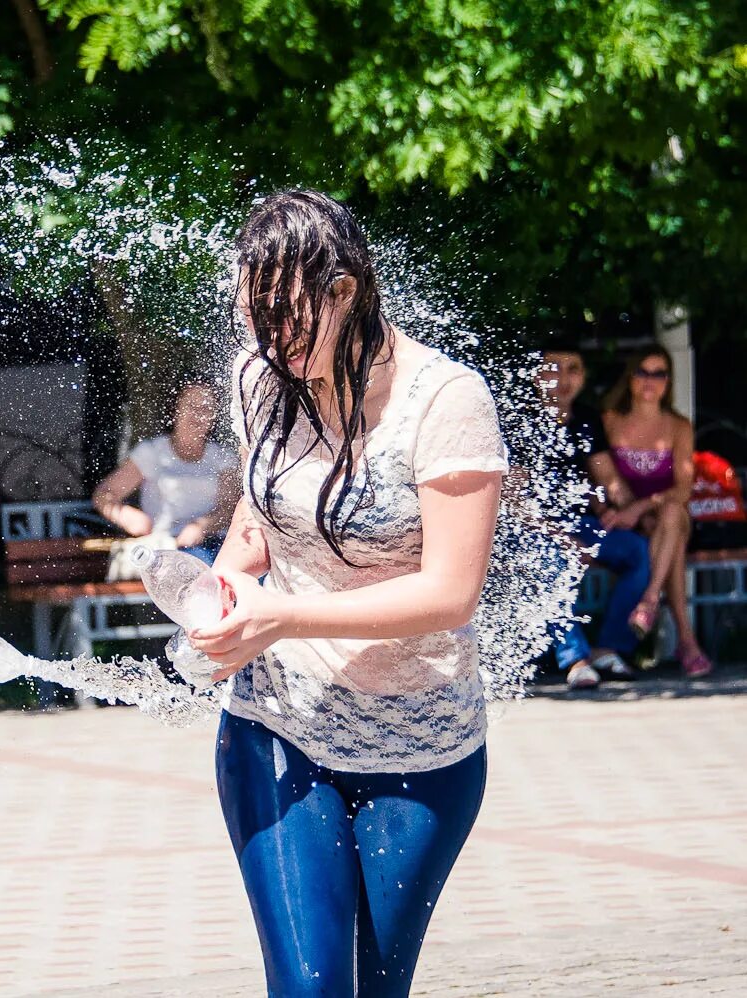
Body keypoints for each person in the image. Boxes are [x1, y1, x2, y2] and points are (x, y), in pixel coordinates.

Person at [189, 190, 507, 997]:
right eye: (255, 321)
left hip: (420, 744)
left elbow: (450, 592)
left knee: (372, 989)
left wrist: (285, 614)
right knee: (309, 988)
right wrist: (218, 596)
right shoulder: (258, 377)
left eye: (290, 319)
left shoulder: (446, 400)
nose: (272, 342)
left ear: (344, 291)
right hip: (277, 724)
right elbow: (262, 526)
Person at [537, 344, 650, 689]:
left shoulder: (586, 419)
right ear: (537, 375)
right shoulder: (521, 421)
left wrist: (622, 509)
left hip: (582, 524)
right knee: (552, 559)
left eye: (573, 369)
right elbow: (512, 503)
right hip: (536, 532)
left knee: (636, 550)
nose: (564, 378)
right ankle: (576, 659)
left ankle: (609, 647)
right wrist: (561, 538)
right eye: (554, 368)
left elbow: (610, 481)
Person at [601, 346, 712, 677]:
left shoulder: (679, 426)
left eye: (659, 373)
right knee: (672, 539)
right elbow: (601, 476)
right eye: (643, 372)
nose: (651, 381)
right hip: (627, 520)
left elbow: (682, 488)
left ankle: (649, 601)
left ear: (668, 381)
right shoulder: (609, 420)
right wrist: (629, 510)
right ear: (630, 377)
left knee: (672, 515)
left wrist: (644, 506)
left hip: (661, 513)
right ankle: (686, 641)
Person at [91, 382, 239, 561]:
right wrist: (124, 515)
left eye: (206, 409)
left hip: (216, 544)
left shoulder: (223, 457)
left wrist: (201, 527)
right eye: (191, 406)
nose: (197, 415)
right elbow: (103, 495)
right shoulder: (151, 453)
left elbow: (230, 506)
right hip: (166, 548)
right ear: (174, 409)